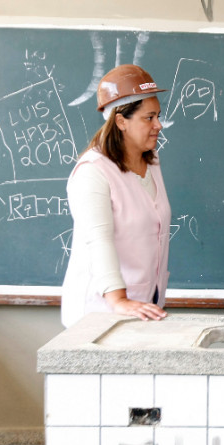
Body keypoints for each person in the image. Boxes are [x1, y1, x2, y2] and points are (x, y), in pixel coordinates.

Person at [60, 64, 172, 327]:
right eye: (149, 117)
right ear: (121, 121)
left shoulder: (152, 161)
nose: (159, 125)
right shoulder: (93, 171)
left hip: (143, 307)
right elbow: (98, 240)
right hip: (99, 313)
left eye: (158, 116)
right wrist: (118, 300)